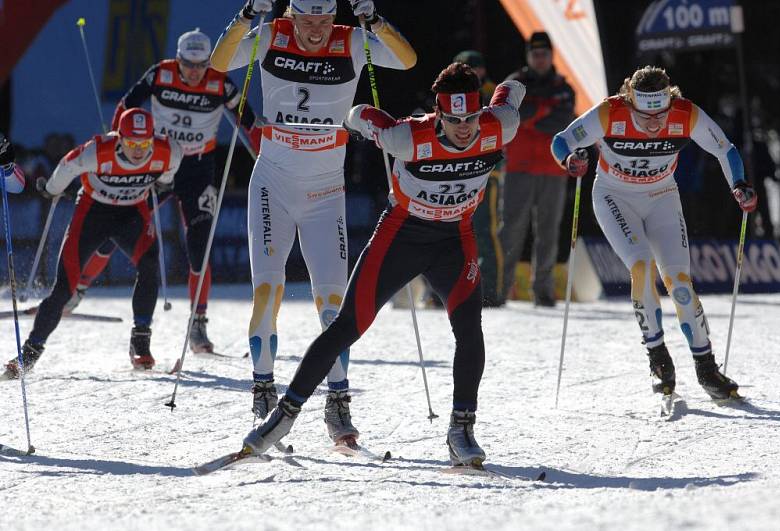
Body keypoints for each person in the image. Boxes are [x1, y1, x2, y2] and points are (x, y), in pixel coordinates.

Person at [240, 63, 524, 465]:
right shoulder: (407, 138)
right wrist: (366, 125)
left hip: (453, 242)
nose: (465, 129)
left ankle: (461, 428)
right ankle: (283, 416)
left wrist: (505, 91)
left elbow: (512, 89)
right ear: (438, 114)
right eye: (454, 119)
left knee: (469, 328)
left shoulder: (500, 126)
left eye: (472, 118)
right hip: (401, 237)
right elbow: (355, 113)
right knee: (346, 326)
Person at [210, 0, 416, 443]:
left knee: (333, 305)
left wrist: (375, 20)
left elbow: (406, 59)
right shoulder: (271, 35)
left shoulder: (353, 41)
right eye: (307, 20)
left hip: (326, 192)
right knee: (267, 292)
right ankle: (263, 391)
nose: (317, 29)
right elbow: (221, 61)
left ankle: (337, 401)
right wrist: (247, 15)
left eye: (324, 19)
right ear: (291, 16)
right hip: (272, 185)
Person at [551, 66, 750, 400]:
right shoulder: (610, 112)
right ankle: (658, 358)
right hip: (614, 197)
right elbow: (562, 140)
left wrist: (740, 186)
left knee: (680, 283)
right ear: (631, 103)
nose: (655, 123)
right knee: (641, 268)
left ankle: (707, 367)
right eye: (645, 116)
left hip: (662, 197)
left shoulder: (685, 113)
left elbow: (724, 149)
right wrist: (570, 160)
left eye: (661, 113)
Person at [66, 28, 259, 353]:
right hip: (157, 162)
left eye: (201, 65)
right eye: (188, 64)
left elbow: (248, 121)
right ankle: (79, 288)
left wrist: (259, 150)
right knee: (118, 226)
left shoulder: (221, 82)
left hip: (197, 169)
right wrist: (117, 140)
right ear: (179, 59)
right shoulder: (161, 73)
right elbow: (128, 104)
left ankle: (198, 324)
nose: (195, 72)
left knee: (199, 242)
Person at [3, 109, 183, 378]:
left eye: (144, 144)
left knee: (149, 265)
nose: (138, 151)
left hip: (132, 213)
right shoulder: (98, 150)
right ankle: (29, 353)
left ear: (152, 139)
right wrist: (52, 189)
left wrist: (159, 187)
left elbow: (166, 180)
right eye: (132, 143)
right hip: (92, 212)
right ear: (119, 138)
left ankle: (140, 340)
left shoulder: (169, 151)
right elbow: (67, 165)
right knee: (64, 287)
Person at [501, 31, 575, 307]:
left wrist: (534, 113)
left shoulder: (563, 85)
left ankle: (543, 290)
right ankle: (500, 286)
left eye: (544, 54)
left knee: (548, 232)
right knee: (510, 229)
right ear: (528, 55)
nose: (540, 59)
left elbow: (563, 121)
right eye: (535, 54)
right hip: (518, 166)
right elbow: (513, 116)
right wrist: (544, 110)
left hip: (554, 168)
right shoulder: (514, 83)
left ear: (551, 55)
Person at [452, 50, 504, 307]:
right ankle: (449, 289)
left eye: (476, 68)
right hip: (454, 171)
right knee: (451, 233)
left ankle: (492, 290)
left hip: (487, 172)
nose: (472, 73)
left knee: (486, 232)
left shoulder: (492, 92)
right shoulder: (447, 94)